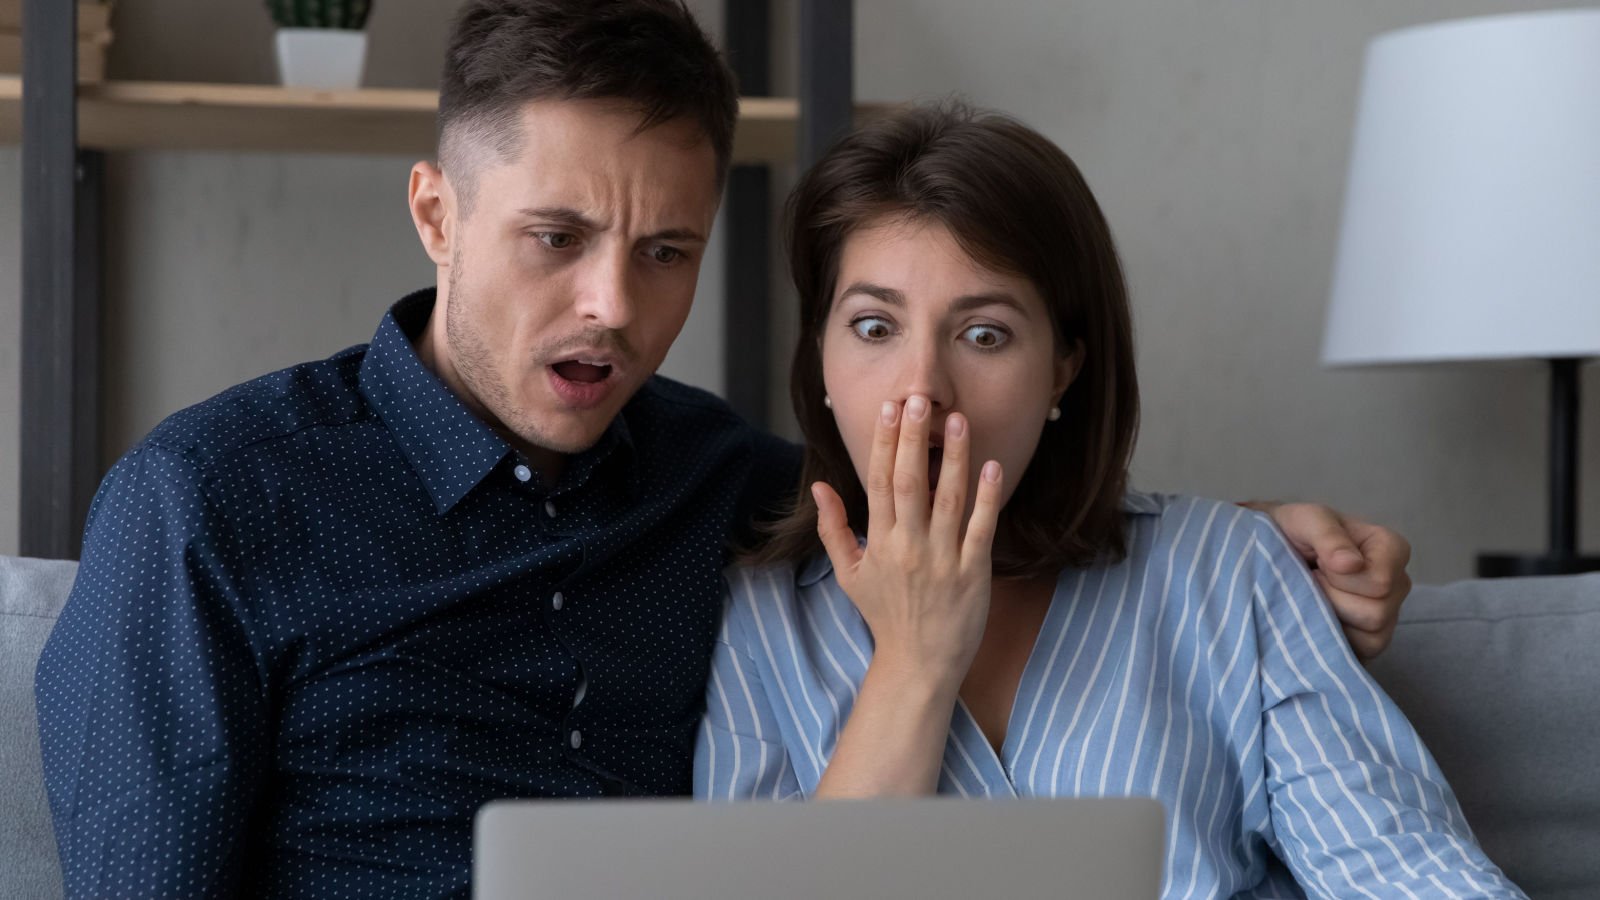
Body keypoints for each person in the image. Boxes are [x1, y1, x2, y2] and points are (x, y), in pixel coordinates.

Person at [35, 1, 1408, 897]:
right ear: (438, 215)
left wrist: (1244, 535)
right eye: (555, 240)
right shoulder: (210, 501)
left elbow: (937, 481)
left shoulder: (725, 485)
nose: (614, 309)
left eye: (666, 252)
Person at [694, 102, 1524, 898]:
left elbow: (1410, 873)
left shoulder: (1225, 573)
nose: (923, 392)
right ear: (821, 363)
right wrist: (914, 659)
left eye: (984, 335)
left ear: (1064, 367)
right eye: (875, 328)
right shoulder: (762, 629)